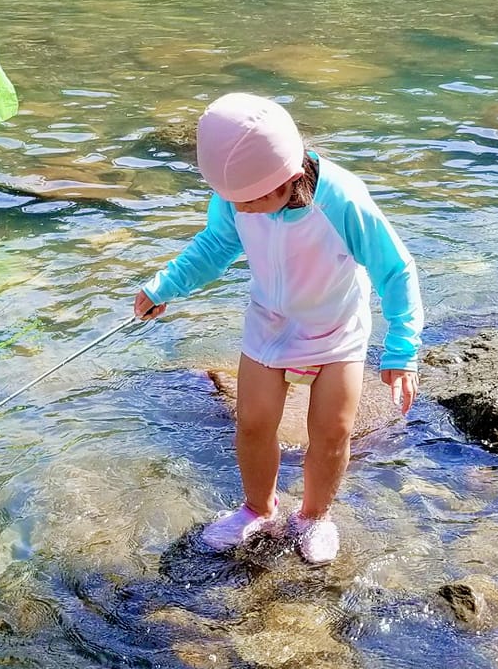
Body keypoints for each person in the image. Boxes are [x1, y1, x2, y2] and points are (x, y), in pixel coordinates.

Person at [132, 93, 422, 565]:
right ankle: (256, 510)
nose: (241, 210)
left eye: (250, 201)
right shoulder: (234, 198)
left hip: (336, 329)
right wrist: (165, 286)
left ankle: (313, 516)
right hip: (270, 323)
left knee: (332, 431)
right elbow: (213, 248)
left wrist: (401, 349)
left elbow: (396, 270)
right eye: (233, 200)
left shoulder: (342, 200)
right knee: (252, 423)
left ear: (288, 178)